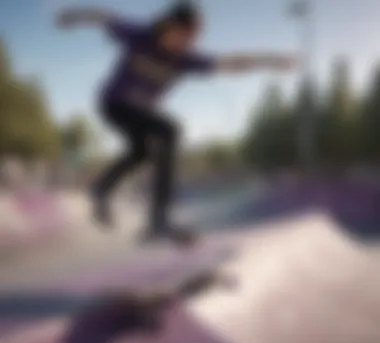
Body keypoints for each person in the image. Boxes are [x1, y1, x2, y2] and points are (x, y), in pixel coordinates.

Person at [56, 1, 299, 244]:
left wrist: (272, 61)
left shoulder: (185, 59)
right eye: (184, 36)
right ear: (168, 26)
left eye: (192, 39)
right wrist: (72, 16)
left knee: (141, 153)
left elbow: (231, 63)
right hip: (114, 103)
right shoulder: (140, 35)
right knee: (169, 131)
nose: (187, 43)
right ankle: (158, 219)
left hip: (139, 112)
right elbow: (104, 17)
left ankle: (101, 189)